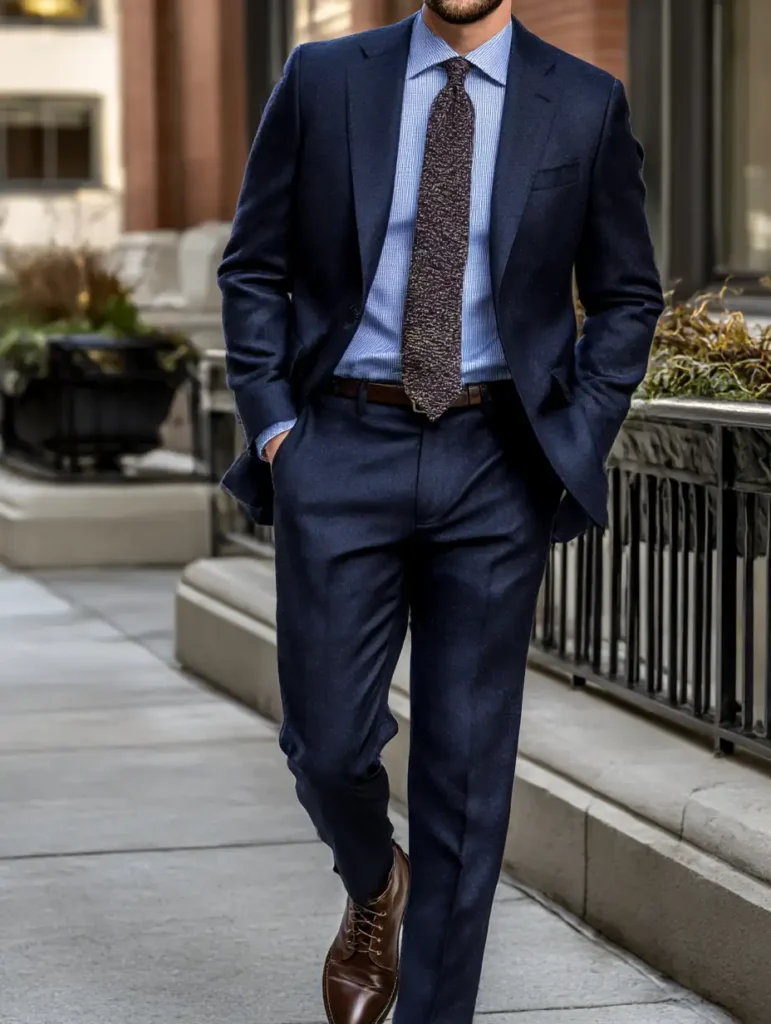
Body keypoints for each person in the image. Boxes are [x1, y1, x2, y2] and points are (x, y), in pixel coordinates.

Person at [218, 0, 663, 1020]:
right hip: (339, 443)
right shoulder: (324, 80)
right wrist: (279, 427)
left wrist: (574, 439)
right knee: (326, 742)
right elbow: (252, 266)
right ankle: (376, 882)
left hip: (496, 459)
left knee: (467, 773)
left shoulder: (585, 101)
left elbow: (627, 293)